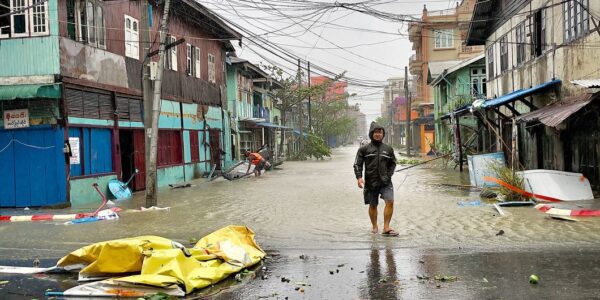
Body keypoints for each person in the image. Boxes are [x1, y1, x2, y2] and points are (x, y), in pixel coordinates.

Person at [353, 122, 398, 236]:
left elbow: (393, 163)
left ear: (383, 134)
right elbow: (357, 164)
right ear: (372, 133)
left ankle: (386, 227)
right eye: (376, 132)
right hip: (370, 182)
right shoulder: (364, 149)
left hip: (385, 181)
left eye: (380, 132)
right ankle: (374, 227)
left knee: (390, 202)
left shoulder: (388, 149)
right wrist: (359, 177)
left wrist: (388, 175)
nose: (378, 134)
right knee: (373, 205)